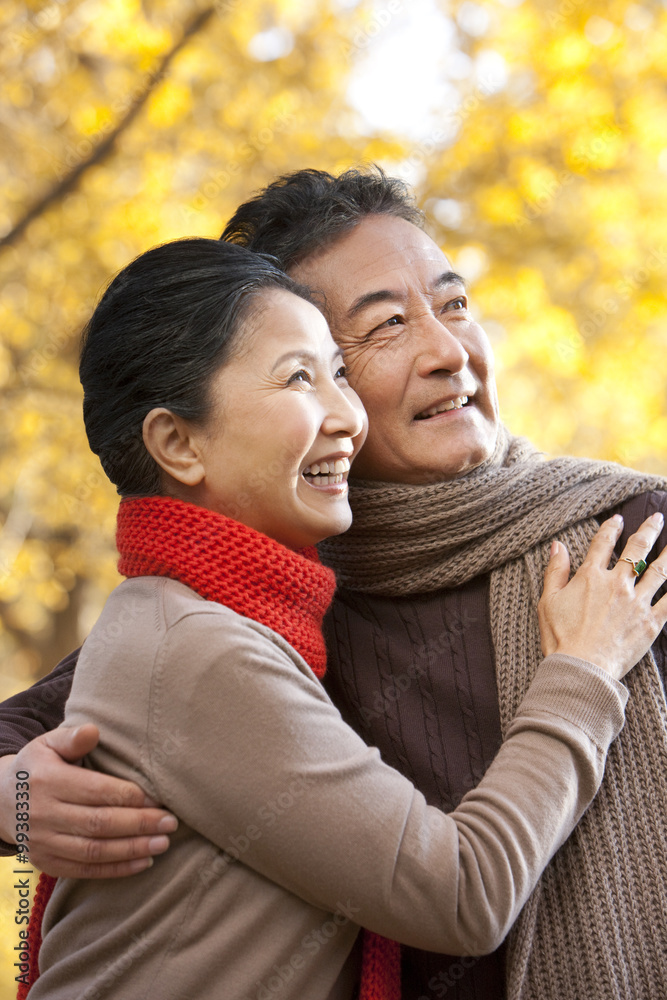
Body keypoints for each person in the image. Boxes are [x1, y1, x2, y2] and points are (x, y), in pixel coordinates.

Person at [1, 169, 667, 999]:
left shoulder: (628, 533)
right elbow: (48, 724)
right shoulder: (260, 596)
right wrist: (17, 804)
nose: (448, 352)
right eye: (385, 327)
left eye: (454, 305)